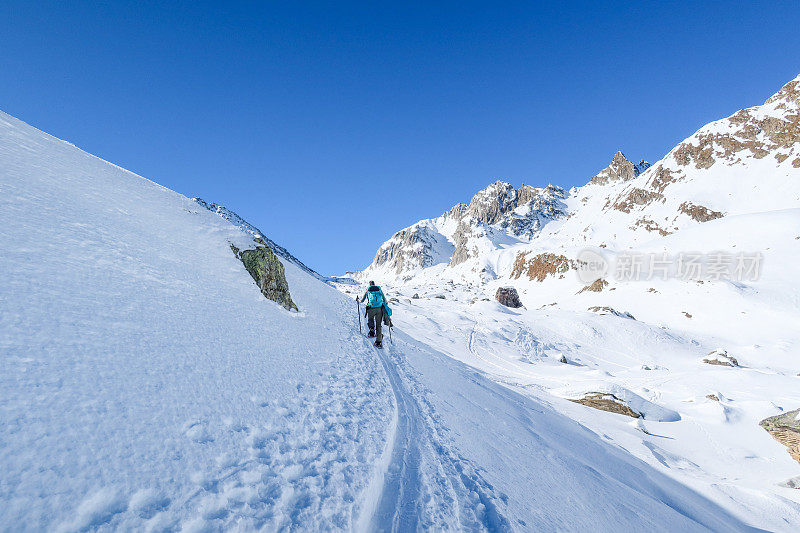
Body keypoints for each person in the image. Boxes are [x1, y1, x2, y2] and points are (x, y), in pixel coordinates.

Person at [361, 281, 388, 347]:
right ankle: (378, 342)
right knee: (378, 324)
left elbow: (362, 300)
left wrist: (358, 300)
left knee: (370, 319)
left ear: (370, 284)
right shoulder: (379, 289)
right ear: (374, 284)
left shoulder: (368, 289)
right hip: (379, 309)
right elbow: (384, 300)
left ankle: (372, 331)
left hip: (371, 308)